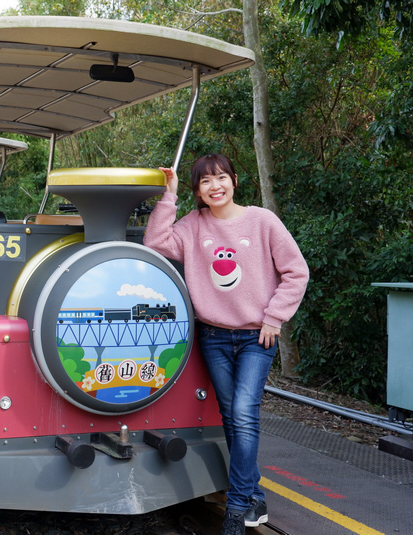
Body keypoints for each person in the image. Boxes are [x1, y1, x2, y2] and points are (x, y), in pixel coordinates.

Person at [143, 154, 309, 535]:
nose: (214, 186)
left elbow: (296, 271)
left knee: (244, 414)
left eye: (221, 178)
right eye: (205, 182)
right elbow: (155, 243)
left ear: (234, 180)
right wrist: (167, 196)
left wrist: (274, 316)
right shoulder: (193, 225)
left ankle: (236, 508)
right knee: (233, 419)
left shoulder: (262, 220)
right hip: (214, 336)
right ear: (197, 191)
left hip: (256, 336)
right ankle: (255, 496)